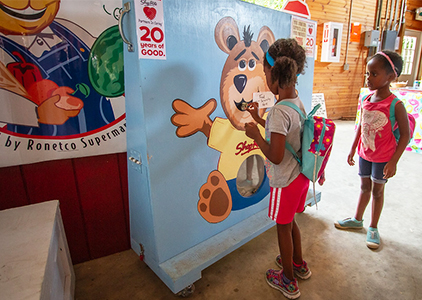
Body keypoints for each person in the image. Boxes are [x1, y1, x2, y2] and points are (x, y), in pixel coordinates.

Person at [245, 38, 311, 299]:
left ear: (275, 73)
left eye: (264, 74)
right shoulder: (295, 102)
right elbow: (285, 133)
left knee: (282, 227)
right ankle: (298, 263)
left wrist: (255, 135)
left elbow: (275, 153)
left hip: (285, 180)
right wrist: (259, 119)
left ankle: (288, 280)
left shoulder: (278, 111)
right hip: (300, 177)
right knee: (291, 221)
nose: (264, 78)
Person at [335, 50, 409, 250]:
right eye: (368, 73)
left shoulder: (396, 105)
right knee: (364, 187)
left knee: (377, 191)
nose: (368, 78)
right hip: (364, 154)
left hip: (383, 158)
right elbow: (361, 125)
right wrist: (352, 148)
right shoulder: (366, 99)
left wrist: (394, 161)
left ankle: (373, 227)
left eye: (374, 74)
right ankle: (357, 219)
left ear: (391, 77)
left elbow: (405, 135)